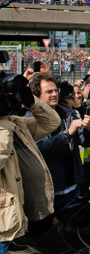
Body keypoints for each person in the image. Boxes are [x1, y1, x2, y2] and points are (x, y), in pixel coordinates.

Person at [0, 75, 60, 252]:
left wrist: (30, 100)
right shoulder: (6, 126)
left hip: (33, 215)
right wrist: (3, 122)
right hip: (7, 230)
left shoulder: (15, 123)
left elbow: (51, 122)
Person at [31, 74, 90, 209]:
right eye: (49, 92)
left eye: (56, 90)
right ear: (37, 96)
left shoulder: (68, 114)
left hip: (72, 184)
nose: (54, 94)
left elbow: (85, 142)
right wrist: (67, 134)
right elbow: (40, 151)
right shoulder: (30, 119)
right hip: (49, 189)